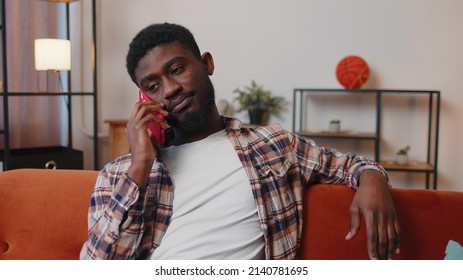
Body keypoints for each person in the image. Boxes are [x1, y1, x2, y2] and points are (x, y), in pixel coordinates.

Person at [80, 22, 401, 260]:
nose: (170, 89)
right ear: (142, 98)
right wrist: (139, 166)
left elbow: (352, 165)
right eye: (152, 86)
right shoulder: (119, 175)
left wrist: (373, 180)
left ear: (206, 63)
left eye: (176, 69)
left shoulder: (273, 144)